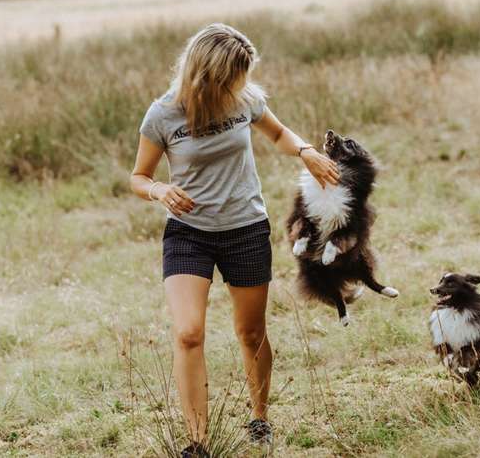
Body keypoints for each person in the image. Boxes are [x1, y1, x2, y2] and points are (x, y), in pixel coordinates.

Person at [129, 23, 339, 457]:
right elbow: (139, 177)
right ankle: (197, 444)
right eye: (232, 77)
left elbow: (279, 134)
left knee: (251, 333)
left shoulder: (246, 101)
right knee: (188, 332)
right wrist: (159, 190)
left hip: (245, 229)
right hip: (188, 234)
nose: (239, 85)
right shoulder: (163, 114)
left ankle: (259, 418)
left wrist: (305, 151)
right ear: (207, 74)